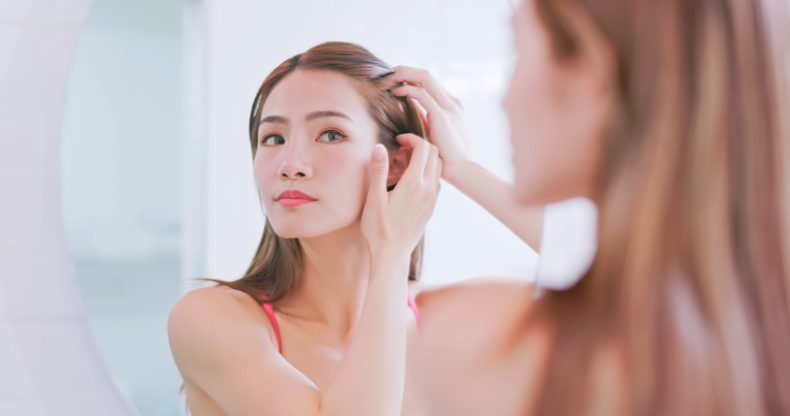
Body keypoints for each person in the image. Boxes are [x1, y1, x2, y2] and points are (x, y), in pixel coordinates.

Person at [392, 0, 790, 414]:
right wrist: (462, 170)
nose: (504, 100)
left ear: (594, 76)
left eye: (520, 50)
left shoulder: (474, 344)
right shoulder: (754, 339)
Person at [167, 41, 441, 415]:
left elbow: (552, 265)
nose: (290, 164)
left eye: (330, 134)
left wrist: (464, 168)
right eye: (273, 138)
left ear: (397, 163)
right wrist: (390, 256)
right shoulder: (211, 320)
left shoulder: (446, 321)